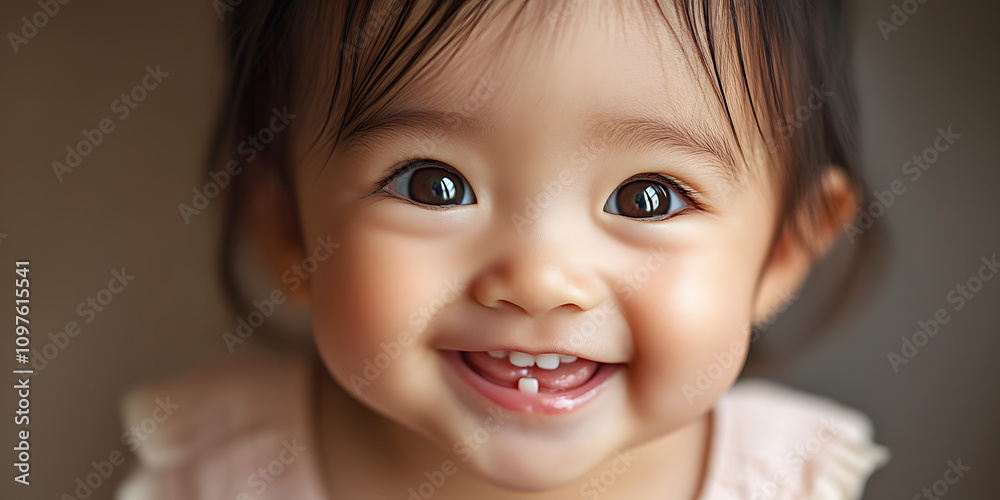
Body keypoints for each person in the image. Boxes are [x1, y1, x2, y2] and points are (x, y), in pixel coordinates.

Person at [118, 1, 889, 498]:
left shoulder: (789, 481)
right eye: (432, 185)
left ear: (782, 253)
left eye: (646, 198)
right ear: (287, 229)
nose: (540, 281)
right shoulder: (218, 473)